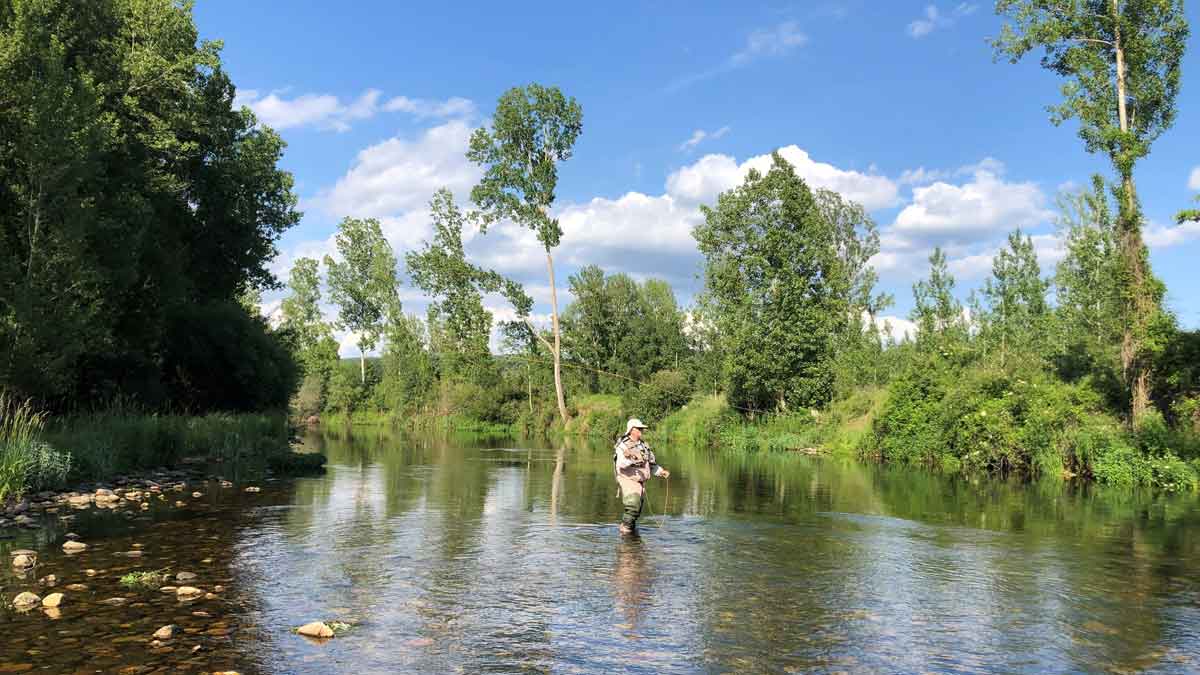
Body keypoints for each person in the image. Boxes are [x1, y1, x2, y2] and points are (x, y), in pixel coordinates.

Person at [613, 418, 669, 534]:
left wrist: (661, 471)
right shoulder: (622, 446)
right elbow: (621, 464)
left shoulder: (644, 446)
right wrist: (630, 459)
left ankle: (630, 531)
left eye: (642, 429)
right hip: (627, 479)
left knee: (637, 510)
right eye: (639, 429)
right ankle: (625, 530)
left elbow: (651, 464)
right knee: (633, 504)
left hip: (640, 482)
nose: (642, 430)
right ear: (632, 430)